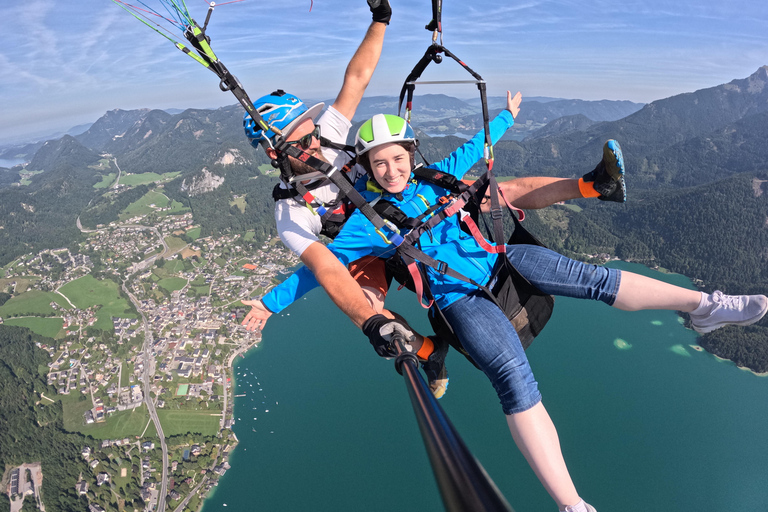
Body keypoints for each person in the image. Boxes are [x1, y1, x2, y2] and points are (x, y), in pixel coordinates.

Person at [249, 94, 768, 511]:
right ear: (364, 167)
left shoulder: (434, 176)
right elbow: (321, 270)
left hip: (502, 258)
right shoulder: (366, 223)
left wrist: (506, 116)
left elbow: (475, 147)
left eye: (398, 158)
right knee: (513, 378)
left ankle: (706, 306)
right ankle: (572, 504)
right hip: (457, 298)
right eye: (378, 163)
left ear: (412, 155)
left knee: (592, 278)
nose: (390, 171)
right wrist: (270, 304)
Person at [239, 1, 628, 398]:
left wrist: (380, 19)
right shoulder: (290, 211)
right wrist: (271, 304)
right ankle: (429, 352)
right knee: (368, 306)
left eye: (313, 131)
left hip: (407, 212)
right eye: (304, 141)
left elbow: (357, 78)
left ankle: (595, 186)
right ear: (276, 154)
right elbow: (325, 267)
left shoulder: (329, 133)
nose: (316, 142)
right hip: (368, 247)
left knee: (498, 192)